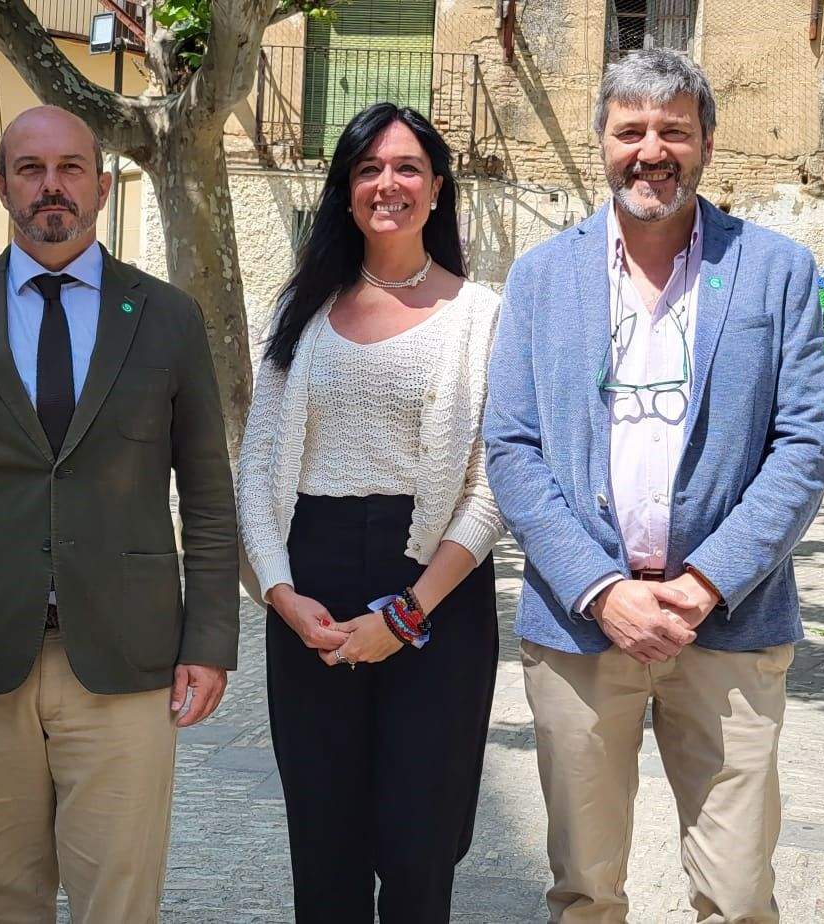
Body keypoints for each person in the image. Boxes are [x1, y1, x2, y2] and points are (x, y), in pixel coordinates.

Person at [483, 49, 824, 924]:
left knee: (738, 890)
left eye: (673, 129)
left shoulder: (776, 270)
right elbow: (512, 448)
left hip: (730, 625)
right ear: (600, 142)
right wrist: (603, 592)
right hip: (577, 626)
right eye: (630, 129)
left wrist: (701, 584)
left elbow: (802, 446)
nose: (652, 149)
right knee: (583, 888)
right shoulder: (540, 277)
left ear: (706, 142)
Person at [0, 105, 239, 923]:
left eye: (71, 168)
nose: (51, 187)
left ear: (102, 187)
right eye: (30, 169)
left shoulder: (168, 318)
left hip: (127, 654)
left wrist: (209, 643)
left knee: (119, 894)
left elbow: (209, 494)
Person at [235, 103, 502, 924]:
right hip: (309, 591)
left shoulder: (484, 315)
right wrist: (280, 594)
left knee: (422, 850)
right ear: (346, 190)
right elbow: (255, 472)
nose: (388, 184)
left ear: (438, 185)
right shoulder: (300, 311)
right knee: (324, 846)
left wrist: (409, 610)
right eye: (368, 169)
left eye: (407, 167)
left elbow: (492, 486)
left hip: (437, 594)